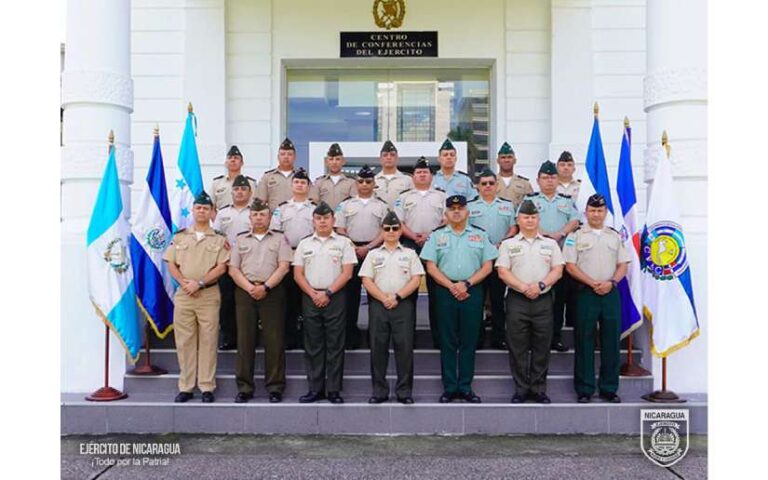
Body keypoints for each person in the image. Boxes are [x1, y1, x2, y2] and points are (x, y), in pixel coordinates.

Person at [420, 195, 498, 403]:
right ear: (445, 213)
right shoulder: (436, 236)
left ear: (467, 211)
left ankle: (465, 387)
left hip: (472, 291)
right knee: (447, 341)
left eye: (460, 208)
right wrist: (451, 285)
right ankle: (449, 387)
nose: (456, 212)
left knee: (469, 340)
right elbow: (431, 266)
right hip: (445, 292)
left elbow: (488, 266)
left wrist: (467, 284)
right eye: (452, 209)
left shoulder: (480, 235)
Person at [563, 193, 630, 404]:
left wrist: (612, 283)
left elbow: (623, 264)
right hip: (586, 293)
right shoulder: (576, 236)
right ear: (586, 212)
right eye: (592, 210)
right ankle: (585, 389)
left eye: (600, 210)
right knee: (584, 341)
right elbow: (570, 265)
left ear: (605, 213)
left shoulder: (614, 235)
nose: (596, 214)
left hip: (610, 292)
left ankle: (609, 388)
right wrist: (592, 283)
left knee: (611, 341)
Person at [495, 199, 564, 404]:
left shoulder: (550, 244)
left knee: (542, 346)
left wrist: (541, 286)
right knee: (518, 347)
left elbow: (558, 269)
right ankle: (521, 389)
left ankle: (539, 388)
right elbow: (502, 271)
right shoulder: (509, 244)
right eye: (526, 217)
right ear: (518, 220)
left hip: (543, 299)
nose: (530, 220)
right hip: (518, 299)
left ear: (538, 219)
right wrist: (524, 287)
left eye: (533, 217)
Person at [163, 192, 229, 404]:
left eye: (206, 208)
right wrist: (184, 282)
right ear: (192, 211)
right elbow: (171, 263)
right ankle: (186, 386)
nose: (202, 211)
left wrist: (199, 283)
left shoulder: (219, 239)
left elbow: (222, 267)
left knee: (209, 341)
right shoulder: (180, 236)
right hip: (184, 294)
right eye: (198, 208)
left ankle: (207, 386)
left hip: (208, 294)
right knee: (185, 342)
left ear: (212, 212)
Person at [228, 198, 293, 403]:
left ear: (269, 217)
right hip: (245, 291)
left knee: (274, 340)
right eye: (255, 214)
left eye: (262, 214)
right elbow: (233, 269)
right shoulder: (240, 239)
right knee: (245, 340)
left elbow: (284, 267)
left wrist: (265, 287)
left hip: (271, 291)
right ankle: (245, 387)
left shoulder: (280, 239)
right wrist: (250, 288)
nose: (258, 218)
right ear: (250, 217)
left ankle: (275, 387)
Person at [293, 201, 358, 404]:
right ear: (313, 221)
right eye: (319, 218)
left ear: (333, 220)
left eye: (326, 218)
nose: (322, 222)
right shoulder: (304, 244)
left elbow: (347, 273)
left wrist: (328, 293)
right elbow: (297, 274)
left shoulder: (344, 243)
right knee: (313, 345)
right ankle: (315, 389)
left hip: (335, 297)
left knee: (335, 344)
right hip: (310, 296)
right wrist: (313, 293)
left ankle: (333, 390)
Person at [359, 211, 424, 404]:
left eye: (395, 228)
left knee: (404, 349)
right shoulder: (373, 254)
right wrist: (383, 298)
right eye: (387, 228)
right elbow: (366, 280)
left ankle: (404, 391)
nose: (391, 231)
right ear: (382, 231)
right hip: (379, 305)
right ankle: (379, 391)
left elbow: (416, 279)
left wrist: (397, 296)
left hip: (402, 304)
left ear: (400, 230)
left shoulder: (410, 254)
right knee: (378, 348)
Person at [525, 160, 580, 352]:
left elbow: (575, 220)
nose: (549, 181)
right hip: (535, 258)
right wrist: (543, 235)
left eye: (552, 177)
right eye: (545, 178)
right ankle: (533, 340)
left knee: (558, 302)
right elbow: (522, 220)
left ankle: (555, 338)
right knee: (536, 299)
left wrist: (560, 234)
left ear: (558, 179)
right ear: (538, 180)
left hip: (561, 258)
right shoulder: (530, 200)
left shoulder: (566, 200)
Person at [334, 165, 389, 349]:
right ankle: (351, 336)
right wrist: (353, 246)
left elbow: (385, 230)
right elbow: (340, 228)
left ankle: (377, 337)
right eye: (361, 181)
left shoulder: (381, 205)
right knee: (350, 296)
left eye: (368, 181)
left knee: (377, 295)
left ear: (374, 184)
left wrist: (368, 247)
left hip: (374, 251)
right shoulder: (346, 204)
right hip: (351, 251)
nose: (364, 185)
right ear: (356, 183)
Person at [394, 156, 446, 348]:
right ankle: (408, 337)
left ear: (431, 176)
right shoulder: (404, 197)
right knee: (407, 291)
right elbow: (399, 222)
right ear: (413, 176)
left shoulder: (441, 196)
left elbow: (446, 220)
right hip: (410, 243)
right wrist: (415, 236)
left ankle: (438, 338)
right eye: (418, 172)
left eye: (425, 172)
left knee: (437, 291)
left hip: (435, 244)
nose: (422, 175)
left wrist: (429, 236)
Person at [467, 168, 518, 349]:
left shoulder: (507, 205)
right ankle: (477, 338)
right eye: (483, 184)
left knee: (497, 300)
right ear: (477, 187)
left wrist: (503, 241)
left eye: (491, 183)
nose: (487, 186)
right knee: (477, 301)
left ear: (496, 185)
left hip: (498, 258)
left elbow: (513, 228)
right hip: (477, 259)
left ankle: (498, 337)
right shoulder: (470, 206)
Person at [269, 167, 315, 350]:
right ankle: (289, 337)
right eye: (297, 182)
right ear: (291, 185)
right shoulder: (281, 209)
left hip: (309, 259)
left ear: (308, 186)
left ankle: (305, 338)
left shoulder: (314, 209)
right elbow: (275, 234)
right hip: (286, 258)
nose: (300, 185)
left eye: (303, 182)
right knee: (287, 300)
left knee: (305, 299)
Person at [212, 174, 253, 350]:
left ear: (250, 192)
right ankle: (229, 337)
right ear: (232, 192)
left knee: (249, 303)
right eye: (236, 189)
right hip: (228, 264)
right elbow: (216, 236)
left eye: (243, 189)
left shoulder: (256, 212)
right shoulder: (223, 213)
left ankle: (250, 338)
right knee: (227, 302)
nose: (240, 192)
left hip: (249, 263)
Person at [309, 142, 357, 210]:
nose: (334, 162)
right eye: (331, 159)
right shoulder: (319, 182)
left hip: (344, 219)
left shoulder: (351, 183)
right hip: (324, 219)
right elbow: (313, 204)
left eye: (337, 159)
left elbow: (354, 205)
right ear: (326, 162)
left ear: (343, 161)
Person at [254, 138, 298, 211]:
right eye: (283, 154)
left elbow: (310, 200)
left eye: (290, 154)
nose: (286, 157)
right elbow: (260, 201)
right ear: (278, 157)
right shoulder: (268, 177)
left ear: (295, 157)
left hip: (296, 218)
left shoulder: (301, 177)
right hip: (274, 218)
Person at [208, 145, 257, 210]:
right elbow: (210, 206)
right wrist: (217, 219)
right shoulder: (217, 183)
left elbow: (256, 206)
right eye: (230, 158)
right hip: (223, 218)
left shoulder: (250, 183)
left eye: (236, 158)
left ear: (242, 163)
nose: (233, 160)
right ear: (225, 163)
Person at [374, 140, 414, 206]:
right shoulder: (373, 180)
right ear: (380, 159)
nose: (389, 157)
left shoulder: (407, 180)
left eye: (392, 155)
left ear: (397, 158)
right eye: (385, 155)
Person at [495, 142, 533, 206]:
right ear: (498, 161)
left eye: (509, 157)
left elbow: (530, 205)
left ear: (515, 160)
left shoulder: (524, 183)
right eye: (503, 157)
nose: (506, 160)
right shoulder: (491, 182)